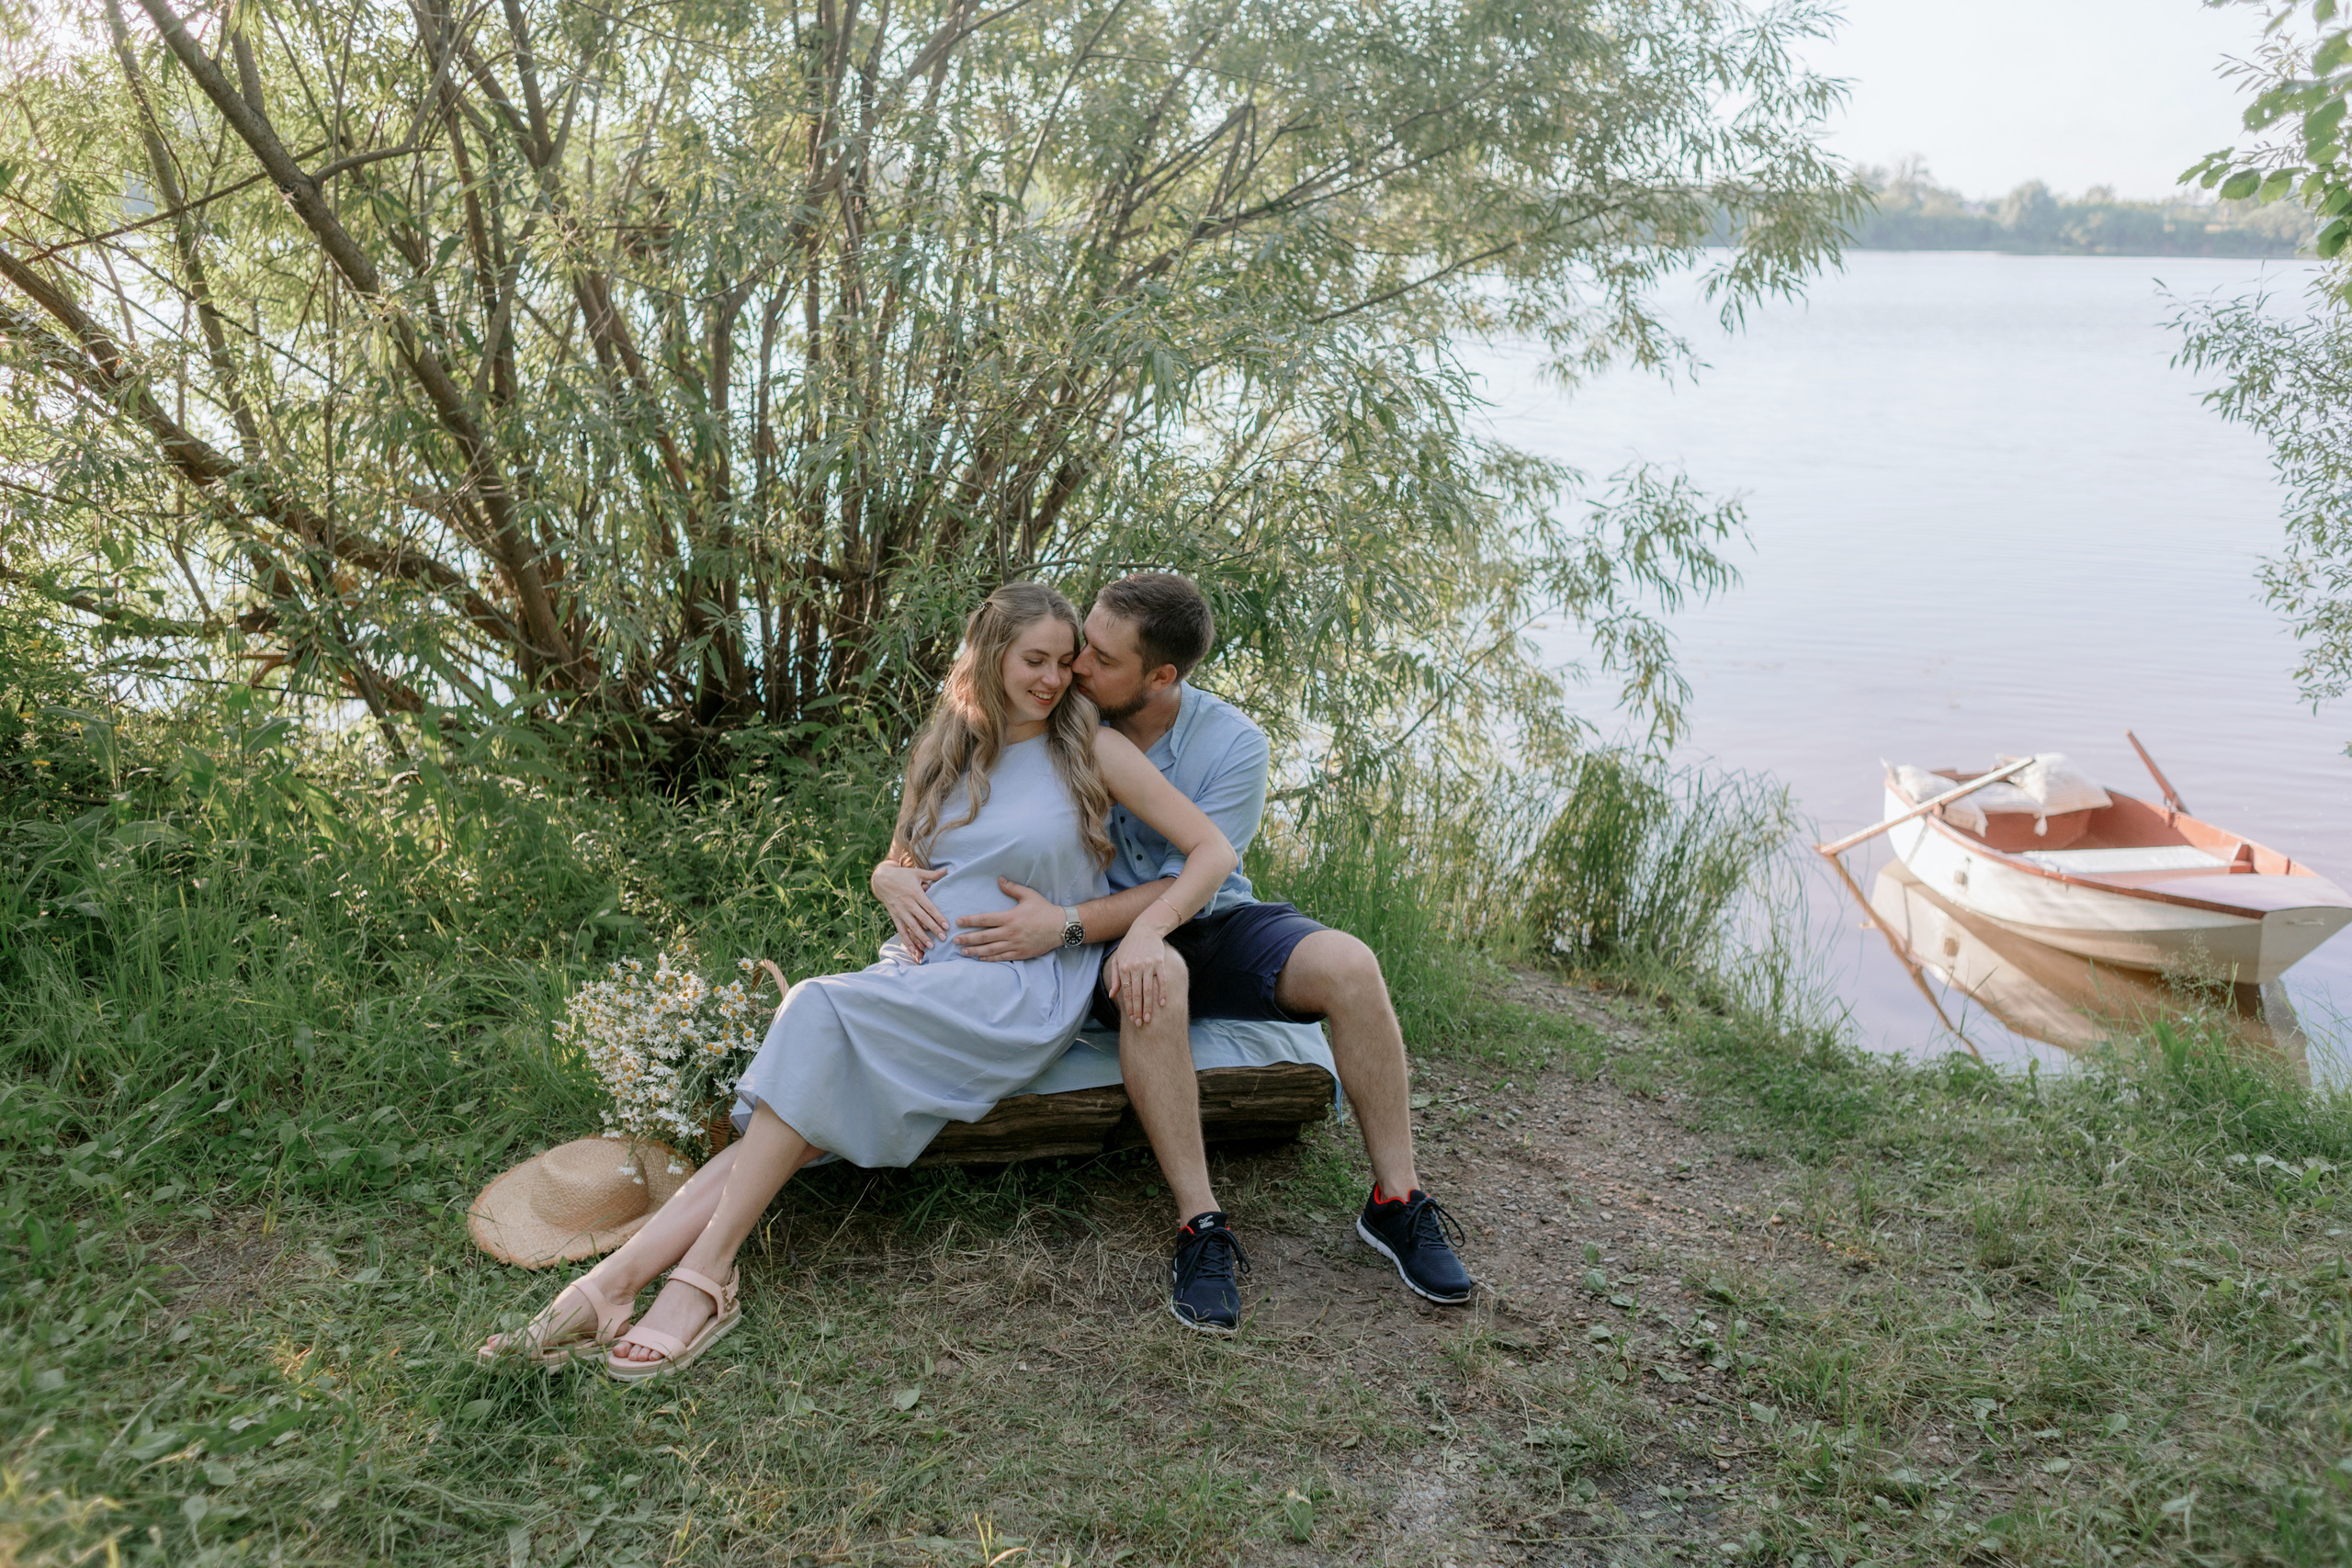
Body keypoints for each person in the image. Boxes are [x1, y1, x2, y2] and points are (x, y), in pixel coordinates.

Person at [479, 582, 1237, 1379]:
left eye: (1063, 660)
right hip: (918, 974)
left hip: (1017, 984)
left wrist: (1104, 925)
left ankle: (696, 1278)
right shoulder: (947, 747)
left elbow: (1212, 854)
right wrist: (887, 878)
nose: (1053, 678)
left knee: (813, 1008)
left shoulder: (1089, 747)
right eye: (1033, 660)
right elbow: (904, 860)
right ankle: (618, 1283)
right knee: (797, 1102)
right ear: (990, 658)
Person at [874, 572, 1473, 1335]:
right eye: (1078, 645)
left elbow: (1201, 870)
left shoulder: (1233, 745)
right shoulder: (1058, 713)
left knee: (1349, 964)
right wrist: (890, 873)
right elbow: (930, 818)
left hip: (1194, 914)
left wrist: (1120, 925)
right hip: (1094, 940)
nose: (1075, 666)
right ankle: (1201, 1224)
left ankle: (1396, 1200)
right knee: (1158, 977)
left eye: (1098, 657)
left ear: (1161, 676)